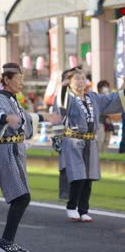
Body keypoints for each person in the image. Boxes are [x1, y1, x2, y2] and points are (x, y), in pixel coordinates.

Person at [0, 62, 61, 252]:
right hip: (6, 150)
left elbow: (25, 119)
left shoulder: (11, 99)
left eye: (23, 79)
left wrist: (45, 117)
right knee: (22, 197)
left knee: (21, 197)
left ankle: (6, 242)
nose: (22, 83)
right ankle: (4, 243)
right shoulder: (1, 99)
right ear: (7, 79)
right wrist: (5, 119)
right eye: (19, 79)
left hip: (15, 150)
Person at [54, 66, 125, 222]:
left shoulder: (93, 97)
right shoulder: (67, 98)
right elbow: (59, 107)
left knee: (89, 177)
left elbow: (112, 99)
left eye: (82, 78)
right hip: (73, 141)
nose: (80, 82)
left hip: (91, 141)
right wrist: (63, 87)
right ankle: (71, 206)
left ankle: (83, 209)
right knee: (78, 175)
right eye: (76, 79)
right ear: (69, 82)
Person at [96, 80, 114, 153]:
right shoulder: (97, 97)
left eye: (107, 87)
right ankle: (97, 157)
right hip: (100, 122)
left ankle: (104, 156)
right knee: (100, 140)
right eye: (105, 87)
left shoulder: (108, 97)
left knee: (107, 141)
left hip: (108, 123)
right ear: (100, 88)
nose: (107, 89)